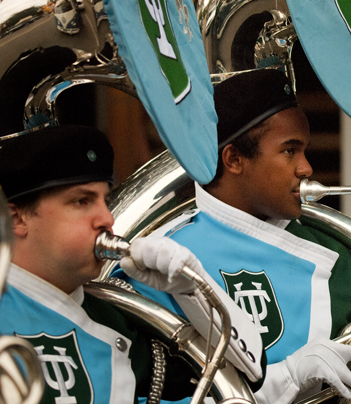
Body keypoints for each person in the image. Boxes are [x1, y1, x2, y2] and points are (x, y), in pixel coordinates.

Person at [118, 69, 351, 404]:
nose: (306, 168)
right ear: (234, 159)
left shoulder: (332, 252)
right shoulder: (159, 259)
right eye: (290, 151)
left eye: (304, 151)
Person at [0, 125, 264, 404]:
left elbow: (241, 377)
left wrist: (190, 292)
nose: (106, 218)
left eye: (106, 201)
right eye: (81, 201)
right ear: (16, 219)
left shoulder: (110, 318)